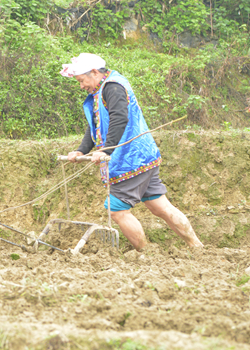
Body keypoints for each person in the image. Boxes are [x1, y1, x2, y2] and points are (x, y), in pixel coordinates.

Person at [61, 53, 203, 251]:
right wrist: (80, 150)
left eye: (82, 81)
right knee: (159, 206)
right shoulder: (103, 89)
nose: (81, 86)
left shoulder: (112, 88)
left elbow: (120, 119)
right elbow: (96, 125)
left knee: (117, 210)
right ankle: (196, 246)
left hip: (131, 159)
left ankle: (145, 253)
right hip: (143, 156)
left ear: (94, 73)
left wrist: (105, 149)